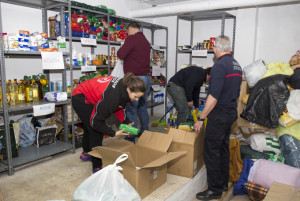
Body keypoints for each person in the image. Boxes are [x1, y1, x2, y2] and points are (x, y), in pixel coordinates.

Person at [194, 35, 242, 200]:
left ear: (215, 48)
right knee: (222, 148)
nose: (213, 49)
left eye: (213, 47)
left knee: (211, 150)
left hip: (220, 113)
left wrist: (201, 118)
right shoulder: (236, 65)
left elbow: (213, 97)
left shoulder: (219, 66)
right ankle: (222, 183)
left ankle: (214, 189)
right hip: (231, 112)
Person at [72, 73, 146, 173]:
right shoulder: (112, 97)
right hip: (80, 97)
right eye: (136, 96)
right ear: (129, 89)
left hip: (88, 93)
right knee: (95, 131)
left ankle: (86, 153)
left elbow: (120, 108)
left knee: (88, 126)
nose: (136, 99)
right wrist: (114, 133)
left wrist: (126, 122)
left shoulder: (124, 87)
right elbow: (96, 122)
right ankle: (97, 167)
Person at [117, 22, 151, 140]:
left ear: (130, 29)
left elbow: (121, 54)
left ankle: (130, 138)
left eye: (127, 31)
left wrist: (123, 45)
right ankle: (145, 132)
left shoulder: (131, 38)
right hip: (146, 78)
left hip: (136, 80)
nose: (127, 33)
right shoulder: (145, 40)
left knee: (131, 109)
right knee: (142, 106)